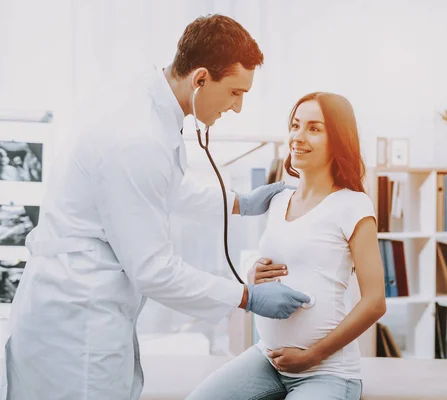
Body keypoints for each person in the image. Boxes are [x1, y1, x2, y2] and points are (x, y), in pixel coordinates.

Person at [1, 15, 310, 400]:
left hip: (85, 305)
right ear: (200, 79)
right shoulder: (136, 136)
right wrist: (247, 297)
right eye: (234, 92)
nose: (238, 107)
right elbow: (155, 270)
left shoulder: (145, 101)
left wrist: (239, 204)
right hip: (77, 319)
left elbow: (164, 188)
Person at [186, 92, 387, 400]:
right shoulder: (279, 199)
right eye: (295, 125)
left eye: (314, 128)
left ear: (338, 141)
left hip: (327, 370)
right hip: (267, 359)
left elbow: (374, 302)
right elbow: (283, 262)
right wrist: (254, 274)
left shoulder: (354, 205)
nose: (298, 137)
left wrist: (313, 356)